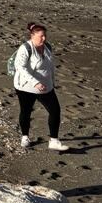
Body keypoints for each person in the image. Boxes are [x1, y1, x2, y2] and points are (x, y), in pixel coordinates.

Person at [14, 22, 69, 151]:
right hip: (26, 87)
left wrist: (51, 83)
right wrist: (35, 83)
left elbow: (50, 67)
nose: (44, 39)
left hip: (46, 87)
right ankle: (25, 137)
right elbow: (20, 68)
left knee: (55, 111)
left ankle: (54, 140)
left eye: (45, 36)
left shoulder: (47, 47)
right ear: (32, 36)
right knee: (26, 111)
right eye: (41, 36)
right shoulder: (25, 48)